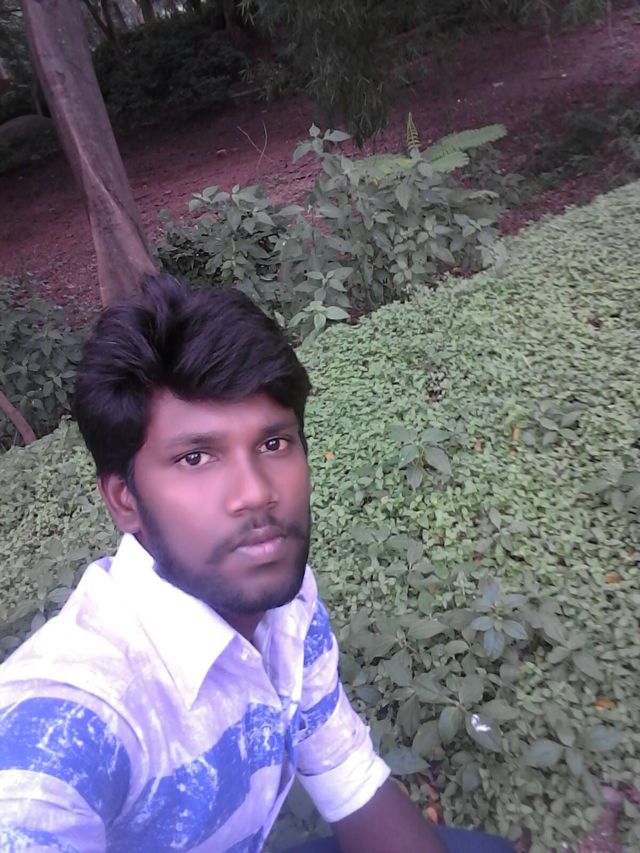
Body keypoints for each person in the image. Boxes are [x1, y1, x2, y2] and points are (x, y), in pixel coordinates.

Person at [0, 275, 515, 853]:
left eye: (273, 444)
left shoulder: (287, 605)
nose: (256, 493)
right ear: (125, 500)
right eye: (196, 457)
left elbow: (345, 771)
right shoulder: (72, 714)